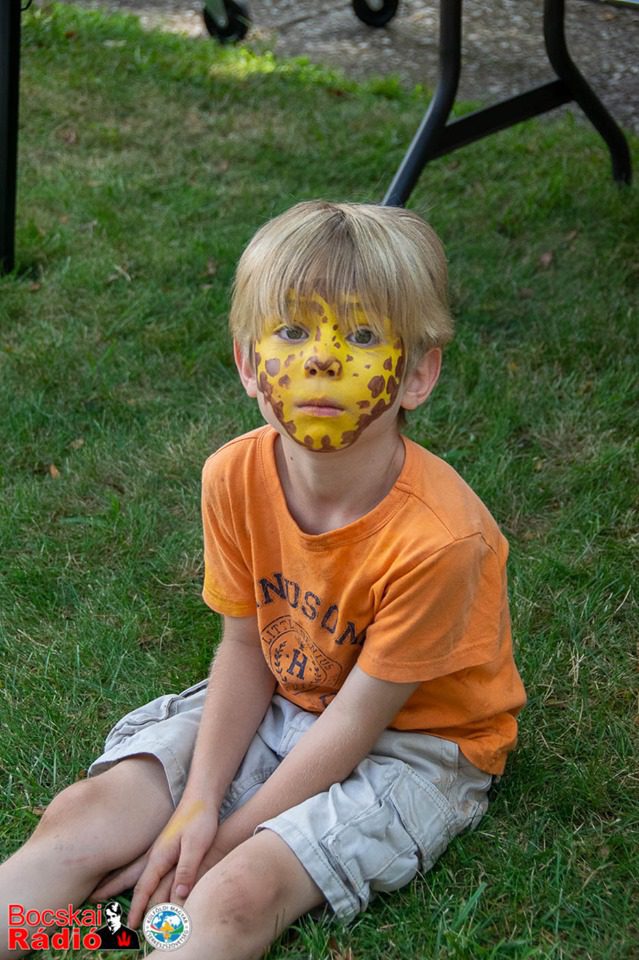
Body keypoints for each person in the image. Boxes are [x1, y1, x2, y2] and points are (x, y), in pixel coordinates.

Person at [0, 200, 526, 960]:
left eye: (363, 335)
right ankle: (70, 929)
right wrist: (198, 803)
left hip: (414, 743)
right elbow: (245, 649)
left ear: (417, 374)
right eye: (293, 331)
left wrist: (222, 841)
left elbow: (355, 724)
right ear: (249, 364)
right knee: (85, 819)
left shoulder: (441, 540)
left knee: (232, 896)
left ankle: (156, 930)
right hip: (285, 693)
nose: (322, 358)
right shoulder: (234, 476)